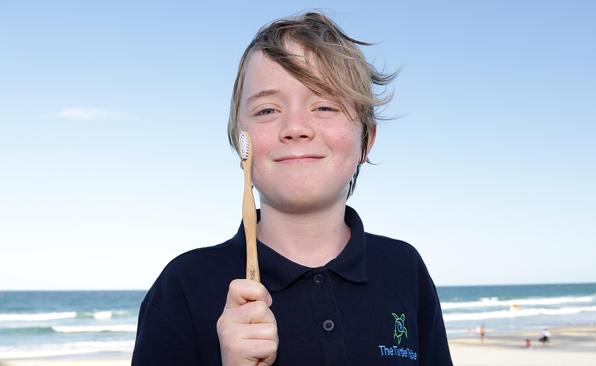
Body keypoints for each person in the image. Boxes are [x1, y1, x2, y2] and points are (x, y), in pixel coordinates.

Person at [132, 11, 452, 366]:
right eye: (268, 110)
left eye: (325, 105)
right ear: (242, 143)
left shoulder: (404, 269)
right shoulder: (183, 286)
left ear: (366, 140)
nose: (296, 127)